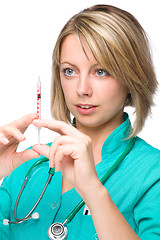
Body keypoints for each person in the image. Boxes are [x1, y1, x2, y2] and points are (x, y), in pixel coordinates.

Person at [0, 4, 160, 240]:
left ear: (131, 77)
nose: (82, 89)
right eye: (70, 71)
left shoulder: (151, 174)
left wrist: (94, 192)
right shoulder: (27, 170)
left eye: (102, 71)